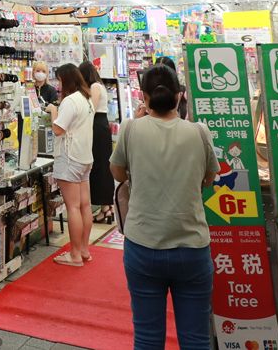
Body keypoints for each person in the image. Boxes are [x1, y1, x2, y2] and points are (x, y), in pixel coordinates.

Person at [110, 62, 214, 350]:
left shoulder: (131, 129)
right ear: (179, 96)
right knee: (196, 339)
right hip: (192, 245)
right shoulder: (199, 132)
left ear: (144, 97)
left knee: (147, 337)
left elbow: (118, 173)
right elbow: (209, 178)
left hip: (143, 245)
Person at [47, 63, 95, 267]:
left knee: (73, 207)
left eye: (59, 80)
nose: (58, 85)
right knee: (85, 205)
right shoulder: (86, 99)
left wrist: (53, 111)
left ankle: (75, 254)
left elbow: (58, 129)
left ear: (66, 80)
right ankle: (84, 249)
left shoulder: (70, 101)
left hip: (70, 158)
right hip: (84, 157)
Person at [80, 61, 114, 223]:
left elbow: (91, 109)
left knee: (100, 167)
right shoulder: (99, 85)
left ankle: (105, 208)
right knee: (103, 165)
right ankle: (107, 207)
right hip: (101, 125)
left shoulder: (94, 86)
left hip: (97, 126)